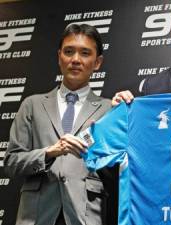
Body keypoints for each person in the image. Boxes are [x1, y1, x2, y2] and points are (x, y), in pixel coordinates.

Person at [4, 24, 113, 225]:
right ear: (59, 57)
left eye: (85, 53)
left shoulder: (109, 110)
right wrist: (48, 153)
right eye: (69, 51)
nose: (75, 60)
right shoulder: (32, 105)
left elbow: (118, 168)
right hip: (36, 216)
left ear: (97, 62)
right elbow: (11, 163)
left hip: (85, 216)